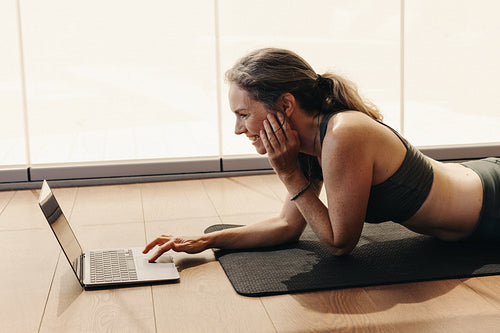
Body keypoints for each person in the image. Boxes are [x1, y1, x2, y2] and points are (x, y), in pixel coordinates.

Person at [144, 48, 500, 262]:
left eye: (243, 114)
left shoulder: (345, 133)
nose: (239, 130)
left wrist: (288, 174)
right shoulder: (308, 145)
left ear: (285, 105)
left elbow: (339, 243)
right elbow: (287, 226)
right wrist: (205, 241)